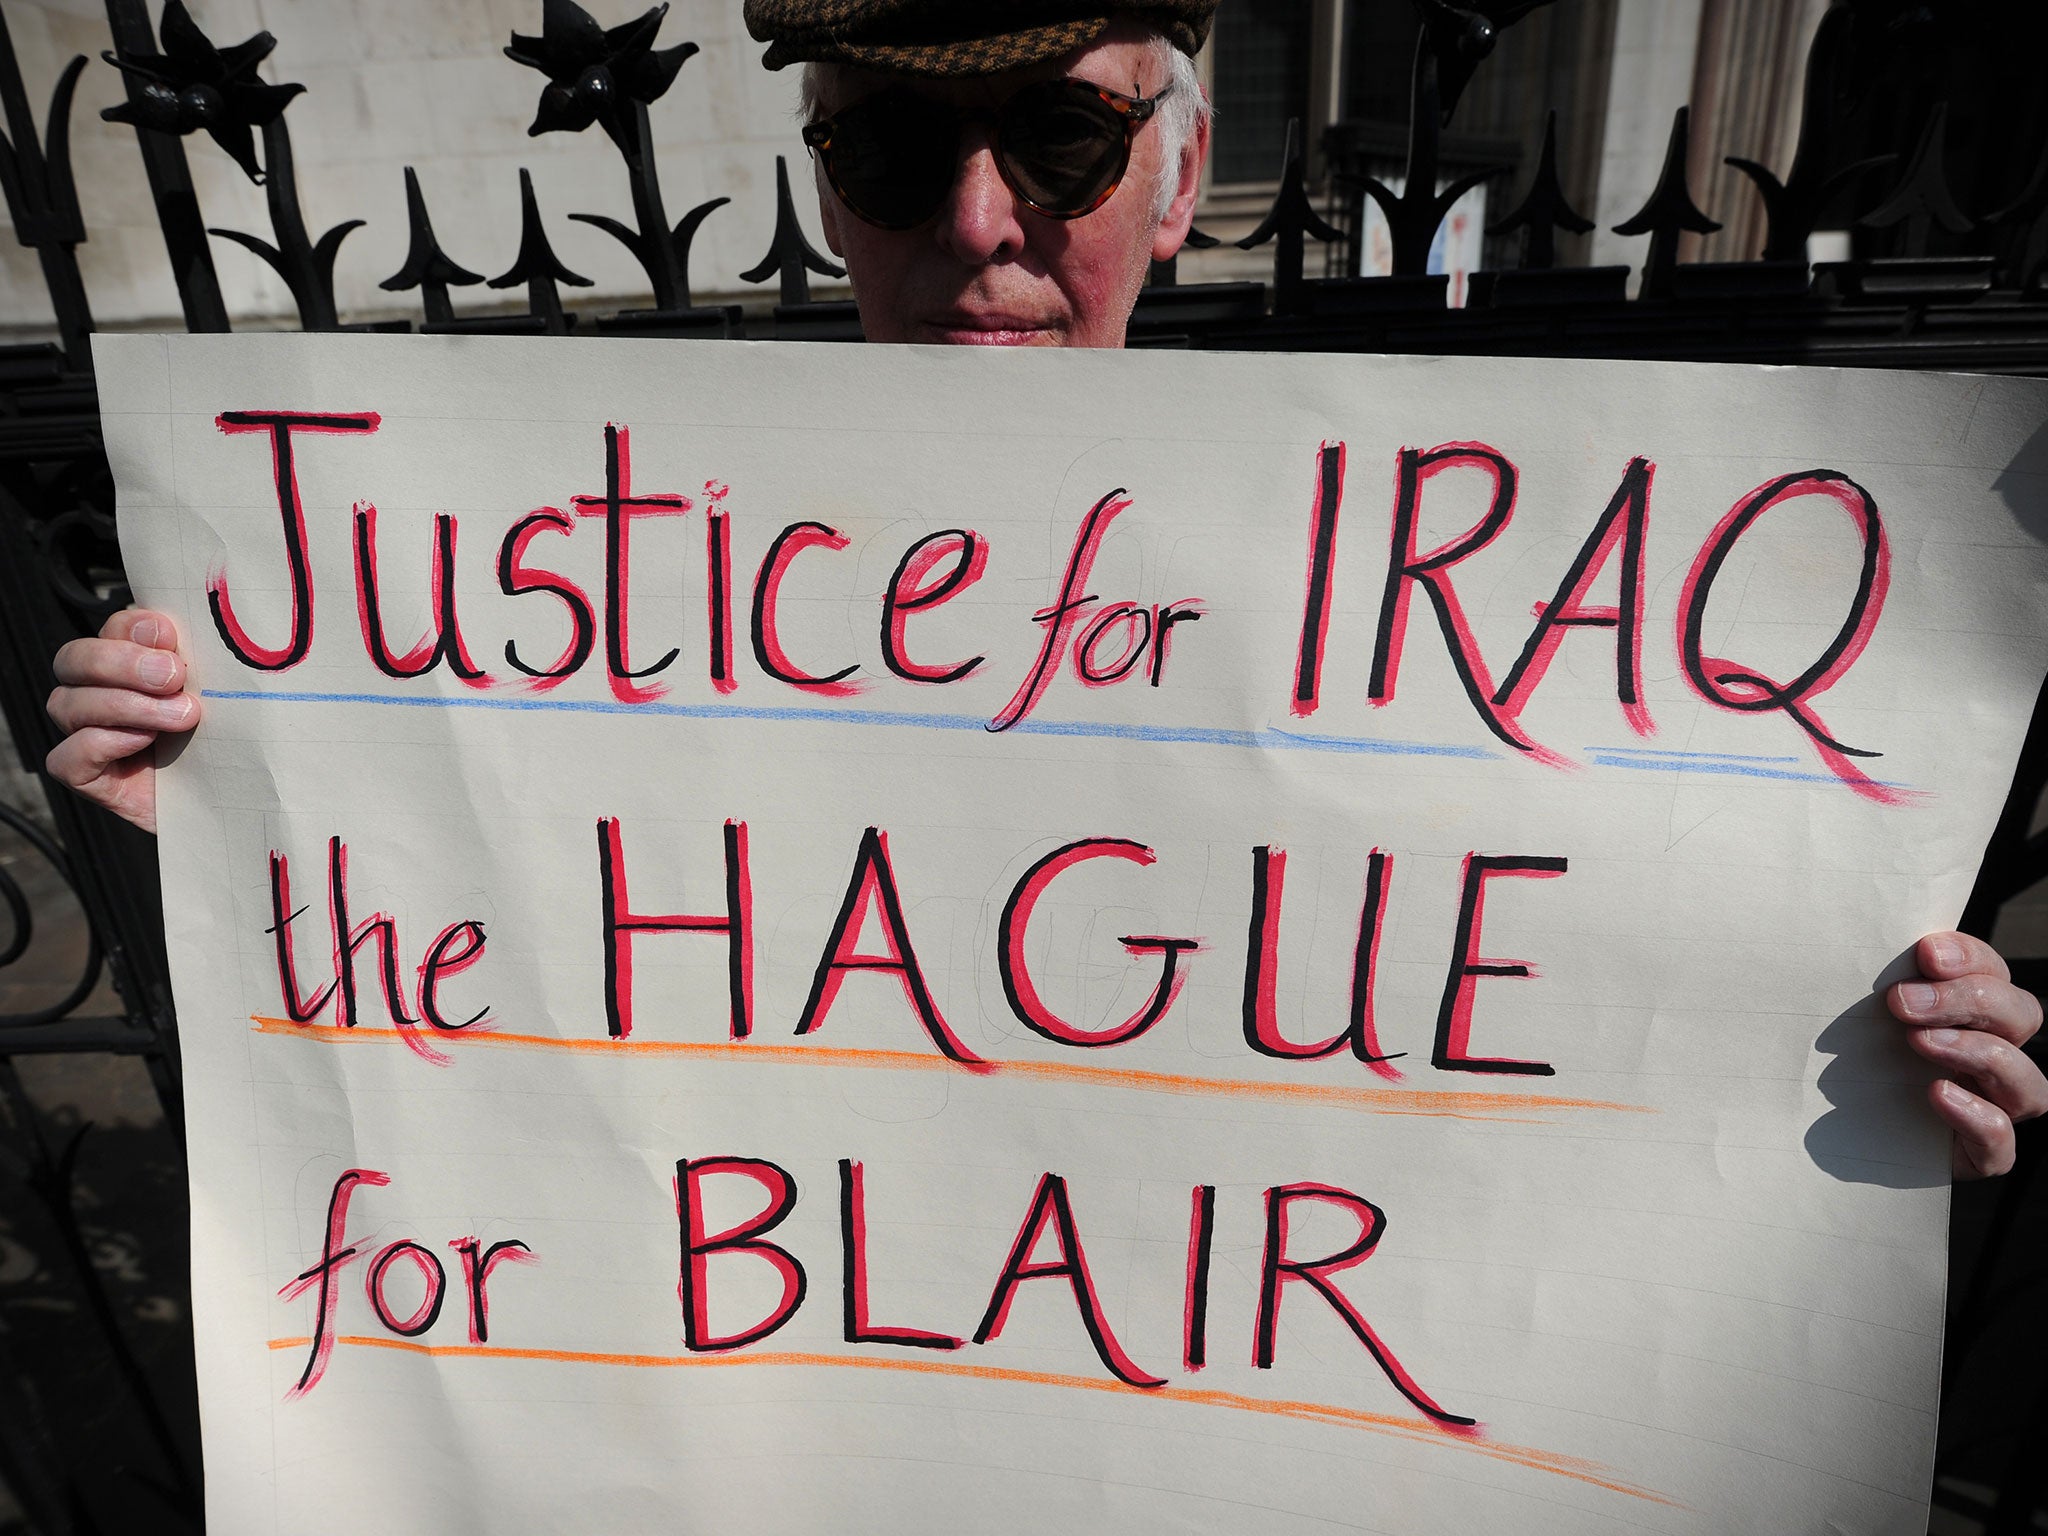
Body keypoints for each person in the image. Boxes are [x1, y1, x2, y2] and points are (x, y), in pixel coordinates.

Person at [44, 0, 2043, 1176]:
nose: (982, 221)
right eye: (901, 149)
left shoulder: (1443, 592)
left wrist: (1861, 1076)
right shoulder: (579, 581)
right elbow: (442, 1058)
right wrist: (205, 839)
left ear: (1177, 179)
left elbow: (1566, 1014)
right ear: (826, 184)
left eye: (1061, 142)